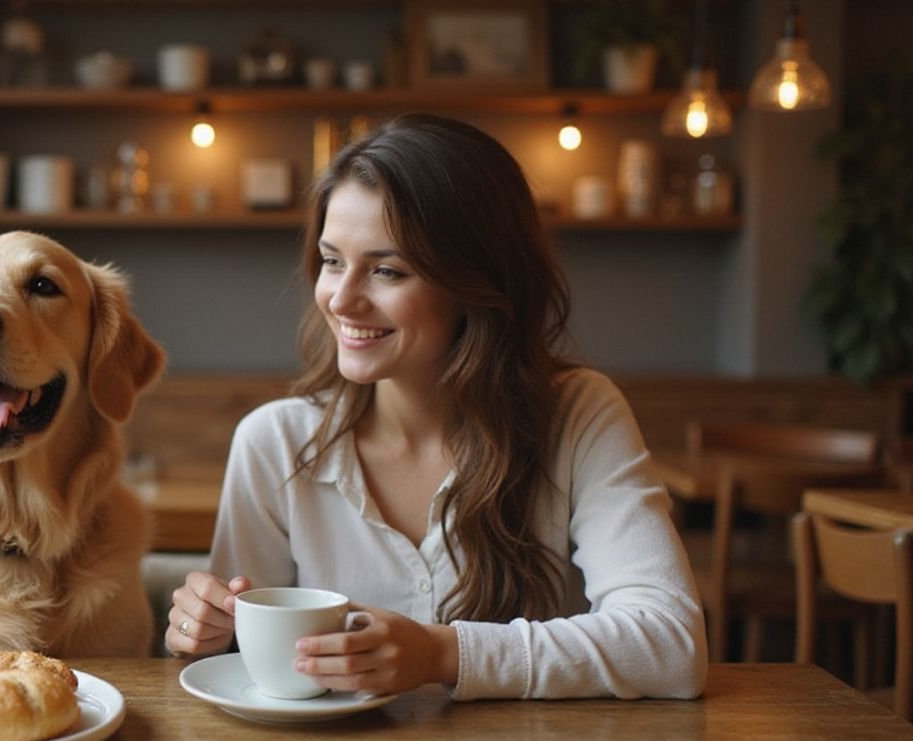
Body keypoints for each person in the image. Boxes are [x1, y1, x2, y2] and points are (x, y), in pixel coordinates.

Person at [165, 115, 706, 700]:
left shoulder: (578, 415)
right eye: (331, 261)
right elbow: (251, 665)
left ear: (474, 282)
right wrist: (208, 632)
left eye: (387, 270)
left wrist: (442, 653)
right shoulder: (273, 441)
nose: (342, 299)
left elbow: (670, 645)